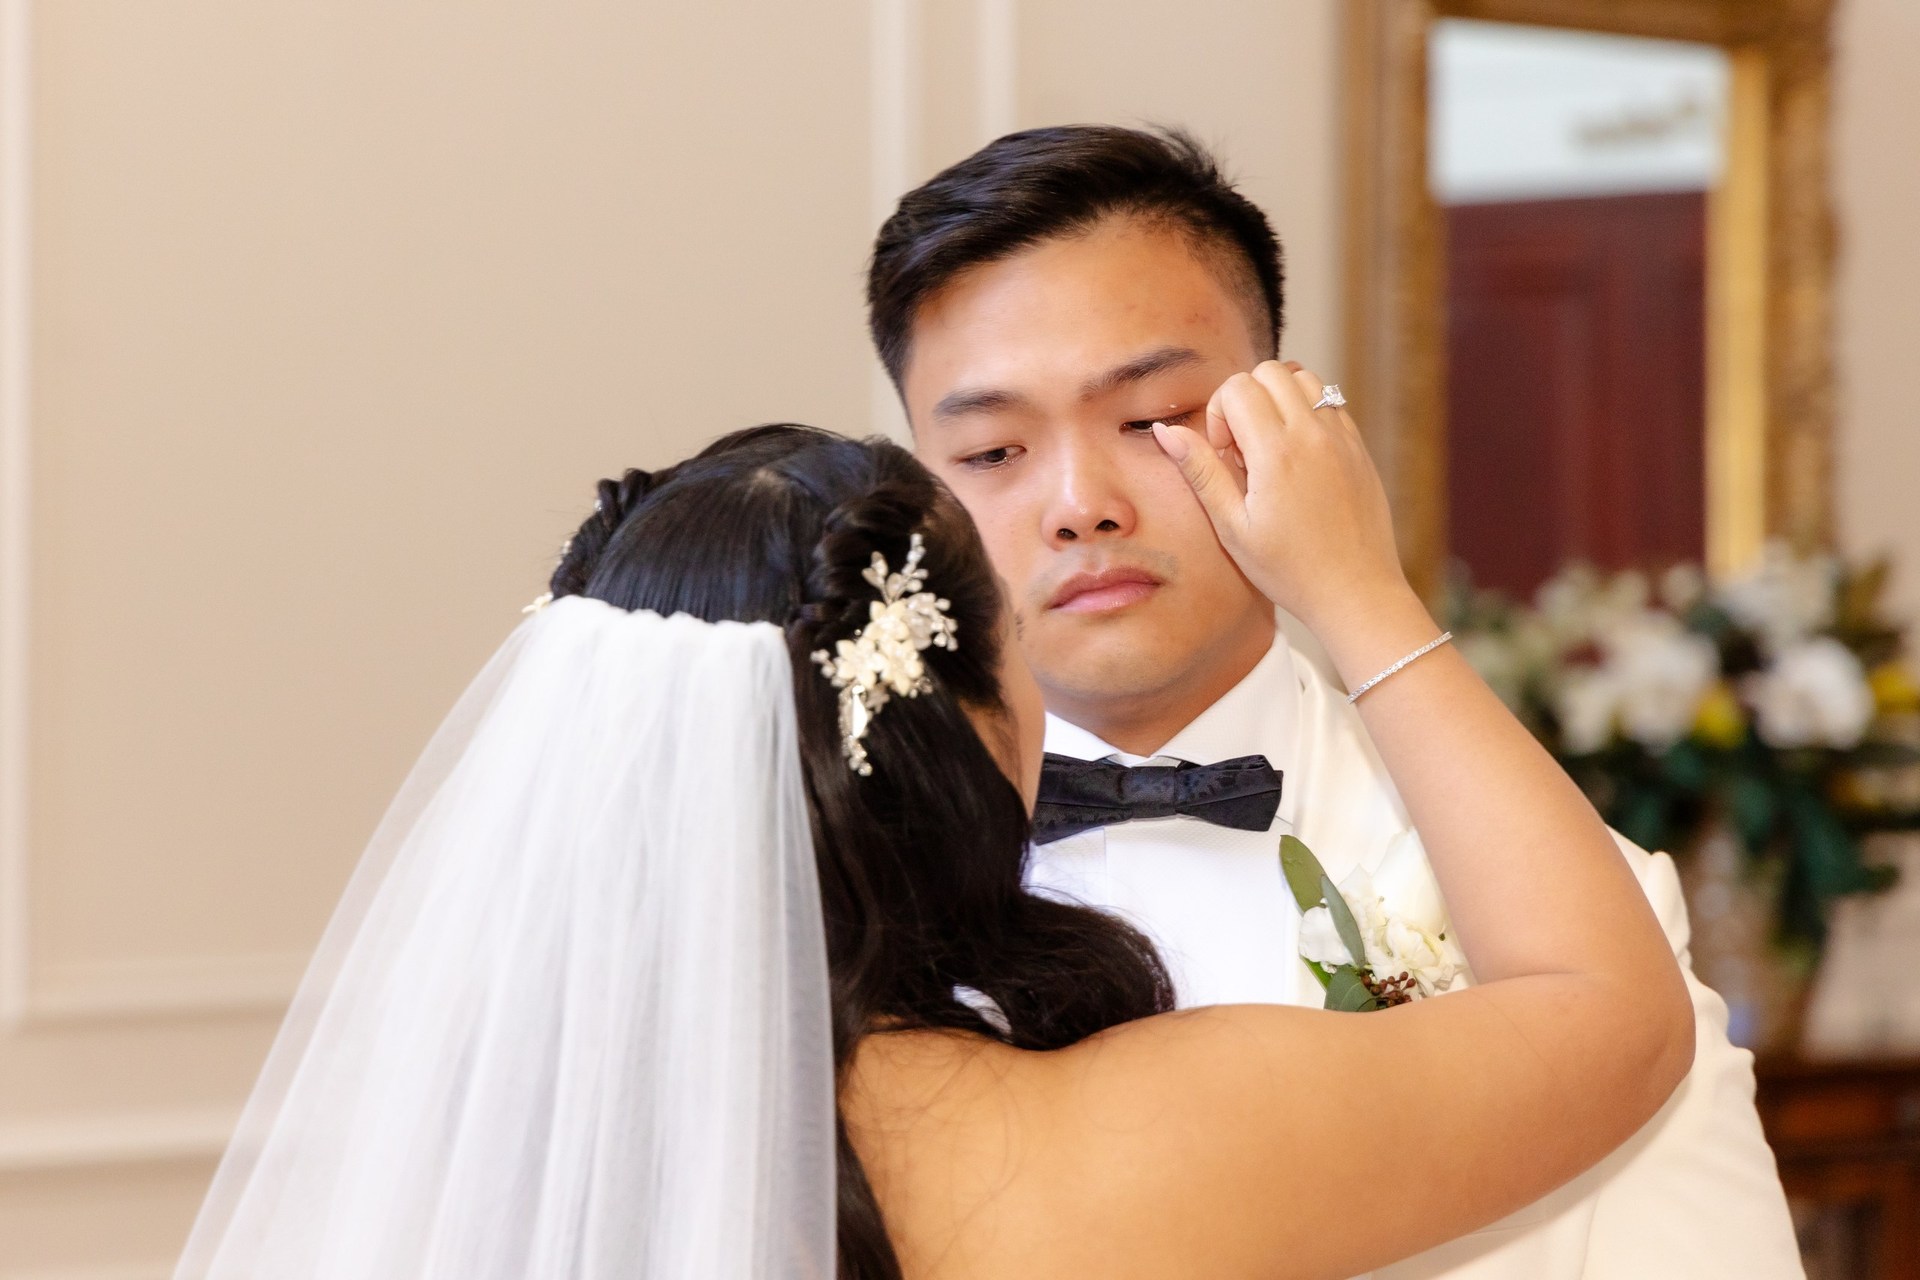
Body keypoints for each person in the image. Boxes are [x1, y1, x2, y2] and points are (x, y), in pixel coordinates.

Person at [178, 415, 1691, 1280]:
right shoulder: (1109, 1145)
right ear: (960, 724)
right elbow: (1610, 1011)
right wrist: (1359, 589)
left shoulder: (482, 1148)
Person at [870, 124, 1802, 1277]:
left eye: (1149, 417)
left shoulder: (1571, 911)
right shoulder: (840, 914)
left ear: (1290, 417)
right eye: (993, 451)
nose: (1078, 503)